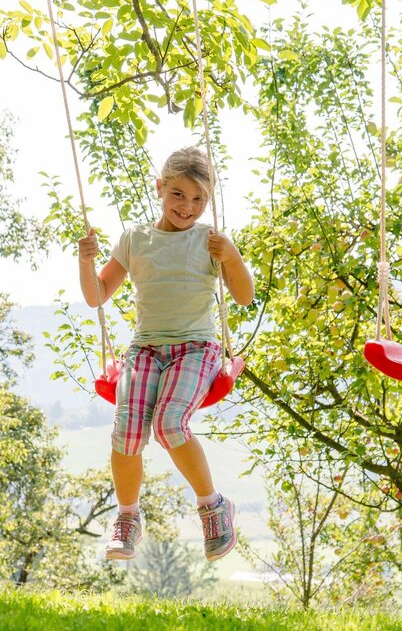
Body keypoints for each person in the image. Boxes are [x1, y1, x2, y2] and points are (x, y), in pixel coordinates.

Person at [76, 146, 254, 562]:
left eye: (197, 199)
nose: (187, 207)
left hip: (197, 348)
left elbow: (244, 297)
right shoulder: (136, 239)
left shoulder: (210, 241)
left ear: (207, 201)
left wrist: (232, 255)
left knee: (170, 423)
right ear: (159, 188)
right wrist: (86, 263)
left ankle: (214, 507)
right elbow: (96, 296)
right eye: (177, 194)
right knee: (127, 431)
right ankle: (127, 518)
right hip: (145, 351)